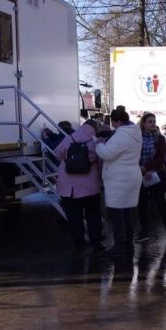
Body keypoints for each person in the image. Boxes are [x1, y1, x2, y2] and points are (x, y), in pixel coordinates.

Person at [95, 106, 143, 255]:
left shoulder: (122, 134)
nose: (113, 125)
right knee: (128, 213)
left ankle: (120, 247)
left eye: (113, 122)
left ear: (117, 121)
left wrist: (99, 144)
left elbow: (108, 154)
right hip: (131, 176)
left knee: (116, 214)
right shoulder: (135, 132)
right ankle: (129, 244)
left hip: (119, 180)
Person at [54, 119, 104, 254]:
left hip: (68, 188)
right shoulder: (96, 141)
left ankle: (79, 245)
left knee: (74, 217)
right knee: (93, 215)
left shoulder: (68, 138)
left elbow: (57, 154)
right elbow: (101, 162)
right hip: (90, 187)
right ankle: (96, 244)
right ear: (96, 128)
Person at [135, 113, 166, 242]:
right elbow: (134, 154)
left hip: (156, 174)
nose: (152, 124)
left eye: (154, 121)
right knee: (142, 204)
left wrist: (146, 168)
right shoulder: (137, 138)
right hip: (140, 174)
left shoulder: (160, 138)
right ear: (144, 123)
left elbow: (160, 157)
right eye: (149, 121)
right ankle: (144, 231)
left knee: (161, 203)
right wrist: (141, 168)